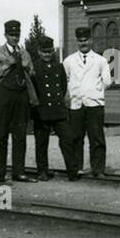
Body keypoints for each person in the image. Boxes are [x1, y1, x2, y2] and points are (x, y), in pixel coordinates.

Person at [0, 19, 39, 183]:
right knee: (1, 135)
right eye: (12, 34)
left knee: (20, 136)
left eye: (17, 34)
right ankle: (0, 173)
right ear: (5, 35)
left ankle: (19, 172)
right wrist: (6, 66)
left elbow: (32, 73)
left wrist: (28, 67)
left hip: (21, 97)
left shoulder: (24, 52)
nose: (15, 37)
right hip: (4, 96)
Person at [63, 26, 112, 180]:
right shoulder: (69, 61)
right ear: (77, 41)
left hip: (94, 104)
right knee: (76, 137)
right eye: (80, 40)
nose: (83, 43)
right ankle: (77, 167)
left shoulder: (100, 60)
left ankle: (98, 169)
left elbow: (107, 81)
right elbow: (65, 81)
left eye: (85, 40)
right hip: (76, 104)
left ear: (91, 40)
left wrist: (94, 91)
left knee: (96, 138)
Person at [29, 36, 75, 181]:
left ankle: (72, 170)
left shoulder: (59, 66)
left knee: (68, 138)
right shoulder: (34, 67)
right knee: (41, 143)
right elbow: (32, 89)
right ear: (39, 52)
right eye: (44, 52)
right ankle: (42, 170)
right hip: (42, 111)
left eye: (49, 52)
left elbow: (62, 86)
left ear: (53, 51)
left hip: (58, 110)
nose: (47, 55)